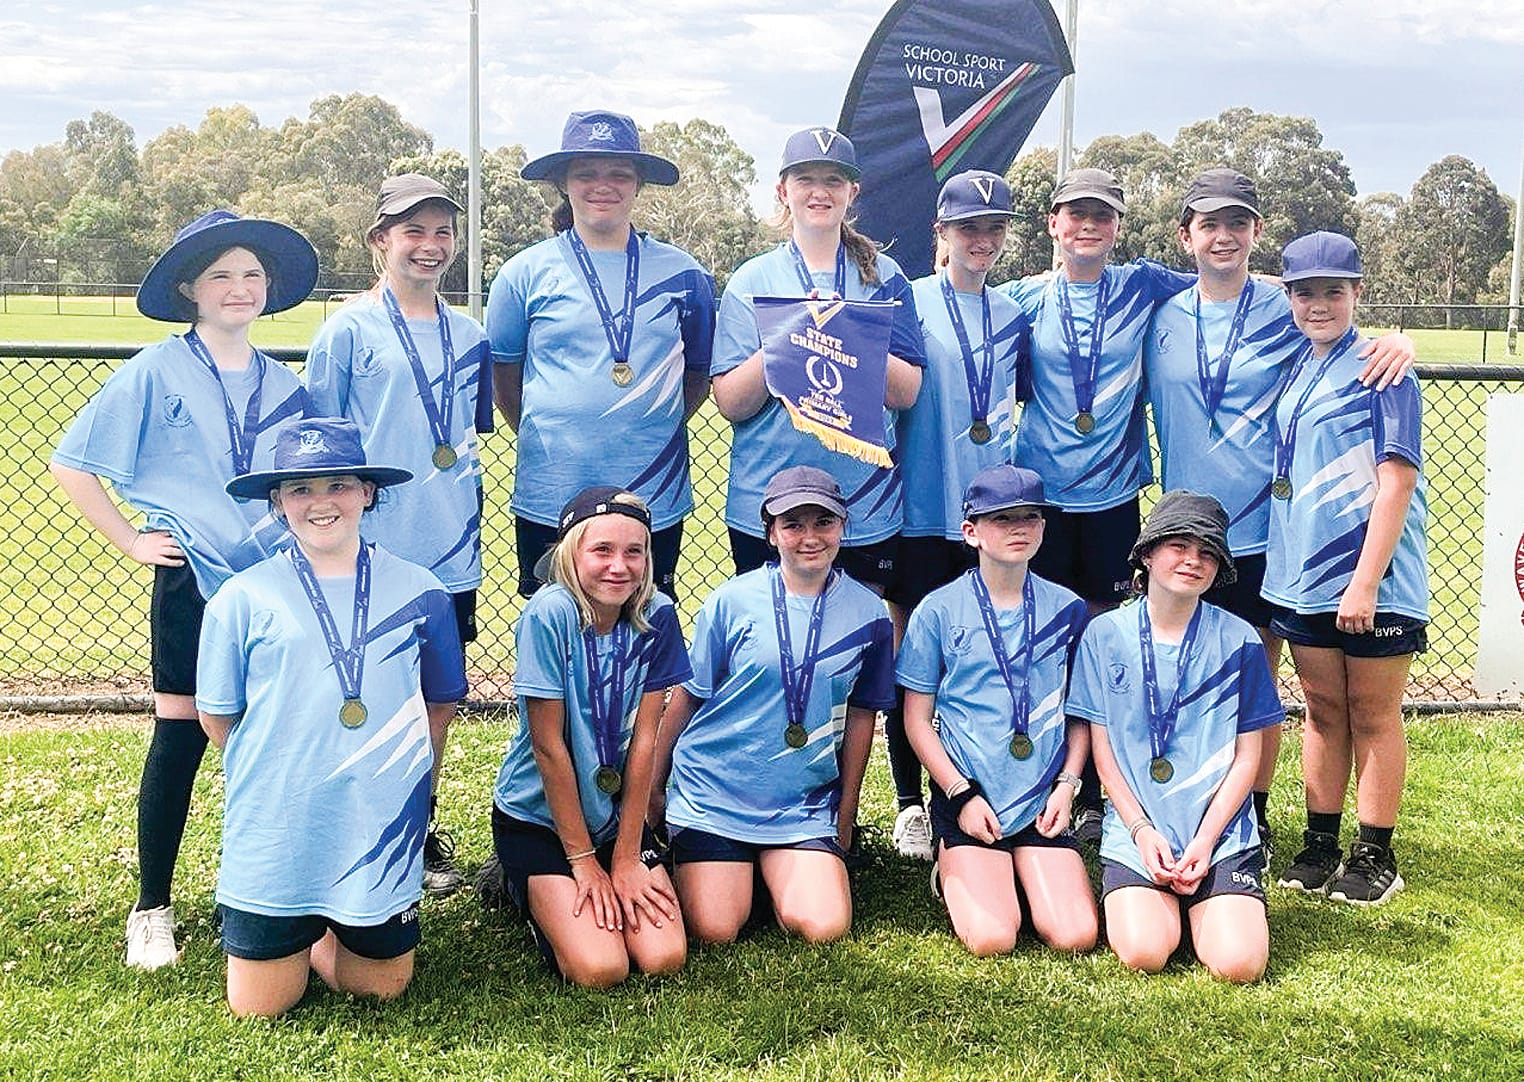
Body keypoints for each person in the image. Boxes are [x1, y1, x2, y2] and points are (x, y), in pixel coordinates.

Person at [49, 209, 317, 970]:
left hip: (269, 579)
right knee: (180, 733)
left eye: (252, 276)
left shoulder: (285, 384)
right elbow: (72, 462)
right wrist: (132, 539)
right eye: (222, 276)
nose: (239, 289)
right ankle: (153, 905)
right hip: (190, 580)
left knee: (270, 732)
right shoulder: (155, 369)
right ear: (191, 291)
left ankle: (269, 885)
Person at [1143, 169, 1415, 856]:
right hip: (1185, 532)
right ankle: (1192, 804)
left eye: (1238, 222)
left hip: (1267, 536)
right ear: (1187, 236)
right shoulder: (1162, 313)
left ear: (1256, 234)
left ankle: (1254, 817)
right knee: (1191, 678)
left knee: (1256, 687)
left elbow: (1343, 328)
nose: (1224, 235)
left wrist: (1400, 341)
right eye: (1209, 223)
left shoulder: (1283, 313)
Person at [197, 417, 467, 1017]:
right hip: (278, 828)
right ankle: (308, 916)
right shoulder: (241, 598)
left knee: (378, 990)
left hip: (376, 819)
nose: (321, 503)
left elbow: (439, 704)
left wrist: (413, 790)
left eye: (339, 485)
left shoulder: (422, 591)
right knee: (260, 1008)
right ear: (277, 502)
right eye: (301, 489)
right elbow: (220, 719)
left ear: (368, 492)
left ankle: (336, 924)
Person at [306, 173, 494, 896]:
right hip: (368, 552)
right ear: (380, 241)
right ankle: (348, 830)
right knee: (358, 693)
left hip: (451, 552)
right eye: (411, 231)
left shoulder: (471, 336)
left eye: (442, 230)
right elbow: (320, 447)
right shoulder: (347, 331)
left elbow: (461, 439)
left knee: (436, 699)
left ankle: (415, 833)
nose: (430, 244)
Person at [649, 467, 896, 945]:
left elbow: (863, 719)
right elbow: (687, 698)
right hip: (715, 793)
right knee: (714, 930)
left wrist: (843, 818)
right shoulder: (731, 601)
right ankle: (737, 872)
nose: (809, 537)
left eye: (823, 522)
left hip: (799, 803)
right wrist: (654, 790)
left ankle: (764, 872)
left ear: (843, 527)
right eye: (793, 524)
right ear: (770, 533)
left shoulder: (869, 613)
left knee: (824, 927)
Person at [486, 109, 716, 601]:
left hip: (653, 493)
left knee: (645, 639)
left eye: (619, 174)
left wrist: (649, 420)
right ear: (563, 184)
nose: (602, 186)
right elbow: (506, 377)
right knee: (555, 633)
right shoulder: (522, 273)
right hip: (552, 495)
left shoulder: (685, 275)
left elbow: (697, 372)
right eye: (586, 173)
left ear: (638, 186)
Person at [1263, 232, 1427, 906]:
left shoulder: (1386, 369)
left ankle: (1374, 853)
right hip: (1304, 573)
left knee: (1374, 713)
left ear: (1357, 292)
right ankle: (1321, 842)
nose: (1320, 303)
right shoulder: (1298, 364)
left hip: (1373, 578)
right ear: (1290, 297)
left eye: (1335, 290)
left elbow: (1396, 484)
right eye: (1306, 291)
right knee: (1325, 712)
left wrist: (1364, 580)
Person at [1068, 491, 1282, 982]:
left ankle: (1215, 896)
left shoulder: (1241, 640)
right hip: (1137, 830)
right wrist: (1141, 832)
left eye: (1208, 551)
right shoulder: (1104, 635)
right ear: (1147, 553)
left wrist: (1206, 842)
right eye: (1178, 545)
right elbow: (1103, 749)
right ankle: (1165, 899)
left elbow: (1248, 756)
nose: (1192, 560)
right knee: (1144, 951)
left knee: (1239, 965)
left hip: (1220, 832)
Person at [885, 171, 1033, 862]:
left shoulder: (1013, 313)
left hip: (990, 515)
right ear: (940, 233)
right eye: (968, 226)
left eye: (995, 227)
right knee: (915, 659)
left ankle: (982, 787)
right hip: (919, 508)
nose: (983, 239)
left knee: (985, 657)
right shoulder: (905, 302)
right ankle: (911, 804)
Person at [492, 486, 691, 987]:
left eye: (634, 551)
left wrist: (625, 856)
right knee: (601, 967)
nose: (619, 566)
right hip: (539, 818)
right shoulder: (549, 614)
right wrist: (583, 862)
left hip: (614, 818)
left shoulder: (659, 614)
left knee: (662, 956)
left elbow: (646, 739)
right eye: (601, 550)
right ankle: (517, 884)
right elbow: (548, 748)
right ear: (570, 553)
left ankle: (602, 875)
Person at [711, 126, 926, 590]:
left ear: (853, 191)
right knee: (776, 641)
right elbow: (731, 402)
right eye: (805, 179)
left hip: (863, 503)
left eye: (833, 180)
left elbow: (906, 391)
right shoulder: (752, 278)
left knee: (863, 643)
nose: (819, 191)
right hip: (769, 504)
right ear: (782, 190)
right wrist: (789, 333)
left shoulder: (885, 276)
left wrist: (847, 330)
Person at [896, 465, 1096, 956]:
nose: (1020, 528)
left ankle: (1020, 869)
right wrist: (960, 795)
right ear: (971, 532)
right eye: (1003, 518)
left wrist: (1067, 788)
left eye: (1031, 517)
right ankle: (952, 867)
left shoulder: (1068, 609)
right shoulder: (938, 610)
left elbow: (1081, 717)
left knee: (1074, 936)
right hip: (970, 794)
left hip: (1042, 799)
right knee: (992, 939)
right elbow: (916, 720)